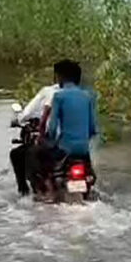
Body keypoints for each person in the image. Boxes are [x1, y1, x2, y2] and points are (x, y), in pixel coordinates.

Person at [27, 59, 98, 198]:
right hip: (83, 151)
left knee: (34, 154)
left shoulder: (58, 96)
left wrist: (45, 139)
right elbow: (92, 129)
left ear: (60, 77)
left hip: (65, 150)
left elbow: (52, 128)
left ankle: (46, 189)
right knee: (90, 174)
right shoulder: (87, 97)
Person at [10, 82, 58, 196]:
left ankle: (25, 192)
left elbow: (29, 114)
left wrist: (20, 119)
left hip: (52, 144)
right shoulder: (82, 94)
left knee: (17, 154)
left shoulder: (48, 92)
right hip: (77, 148)